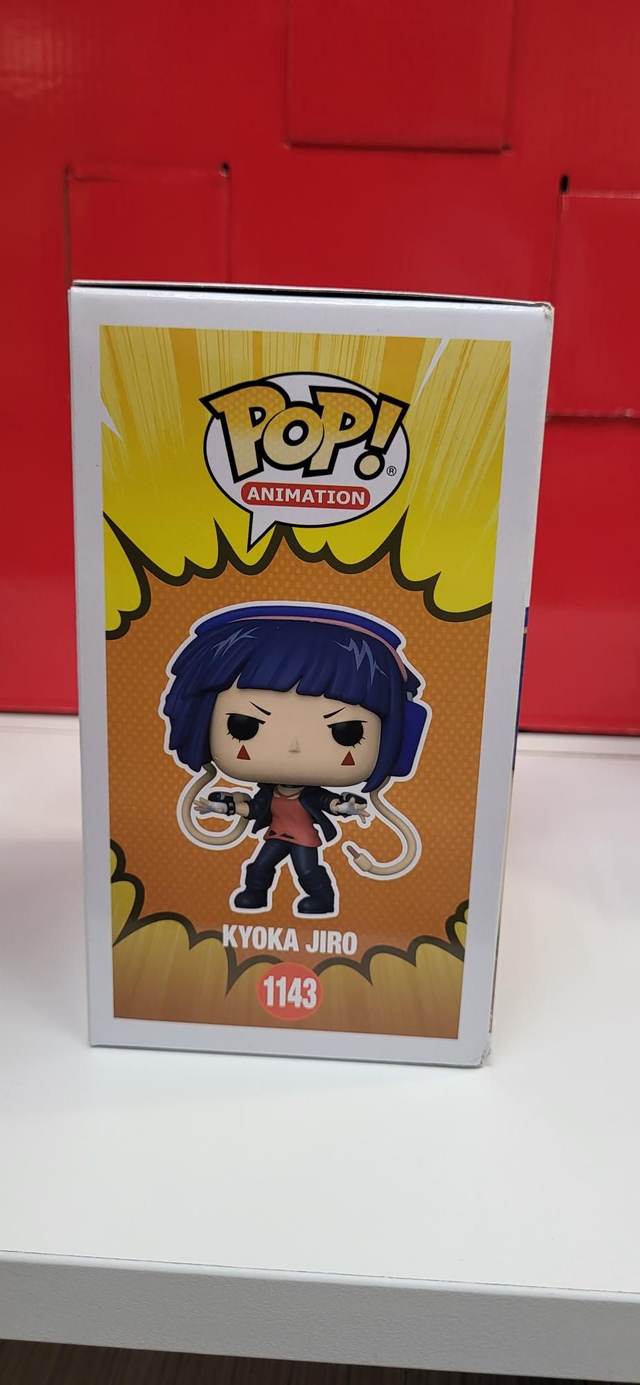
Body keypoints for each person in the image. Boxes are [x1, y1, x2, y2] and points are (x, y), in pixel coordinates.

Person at [161, 603, 429, 917]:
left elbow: (329, 803)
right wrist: (221, 808)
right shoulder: (269, 793)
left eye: (346, 732)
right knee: (259, 866)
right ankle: (254, 893)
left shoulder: (310, 795)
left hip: (304, 839)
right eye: (243, 726)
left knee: (308, 871)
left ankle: (321, 899)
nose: (294, 747)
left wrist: (346, 807)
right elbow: (255, 808)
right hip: (275, 835)